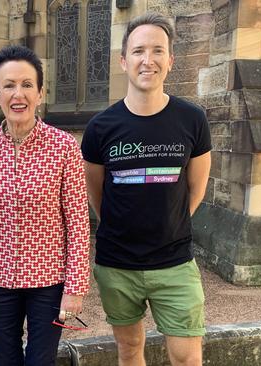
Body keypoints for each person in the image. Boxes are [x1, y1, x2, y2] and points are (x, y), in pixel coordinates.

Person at [81, 12, 212, 366]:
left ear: (170, 60)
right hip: (117, 264)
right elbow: (97, 195)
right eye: (139, 51)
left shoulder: (192, 120)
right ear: (124, 61)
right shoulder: (100, 128)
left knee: (187, 358)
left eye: (158, 50)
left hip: (174, 263)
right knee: (128, 349)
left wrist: (171, 224)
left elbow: (196, 188)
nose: (148, 60)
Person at [0, 45, 90, 366]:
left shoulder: (64, 147)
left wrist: (75, 287)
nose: (19, 94)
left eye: (27, 85)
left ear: (40, 93)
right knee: (6, 359)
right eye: (9, 85)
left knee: (41, 360)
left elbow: (77, 221)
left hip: (49, 280)